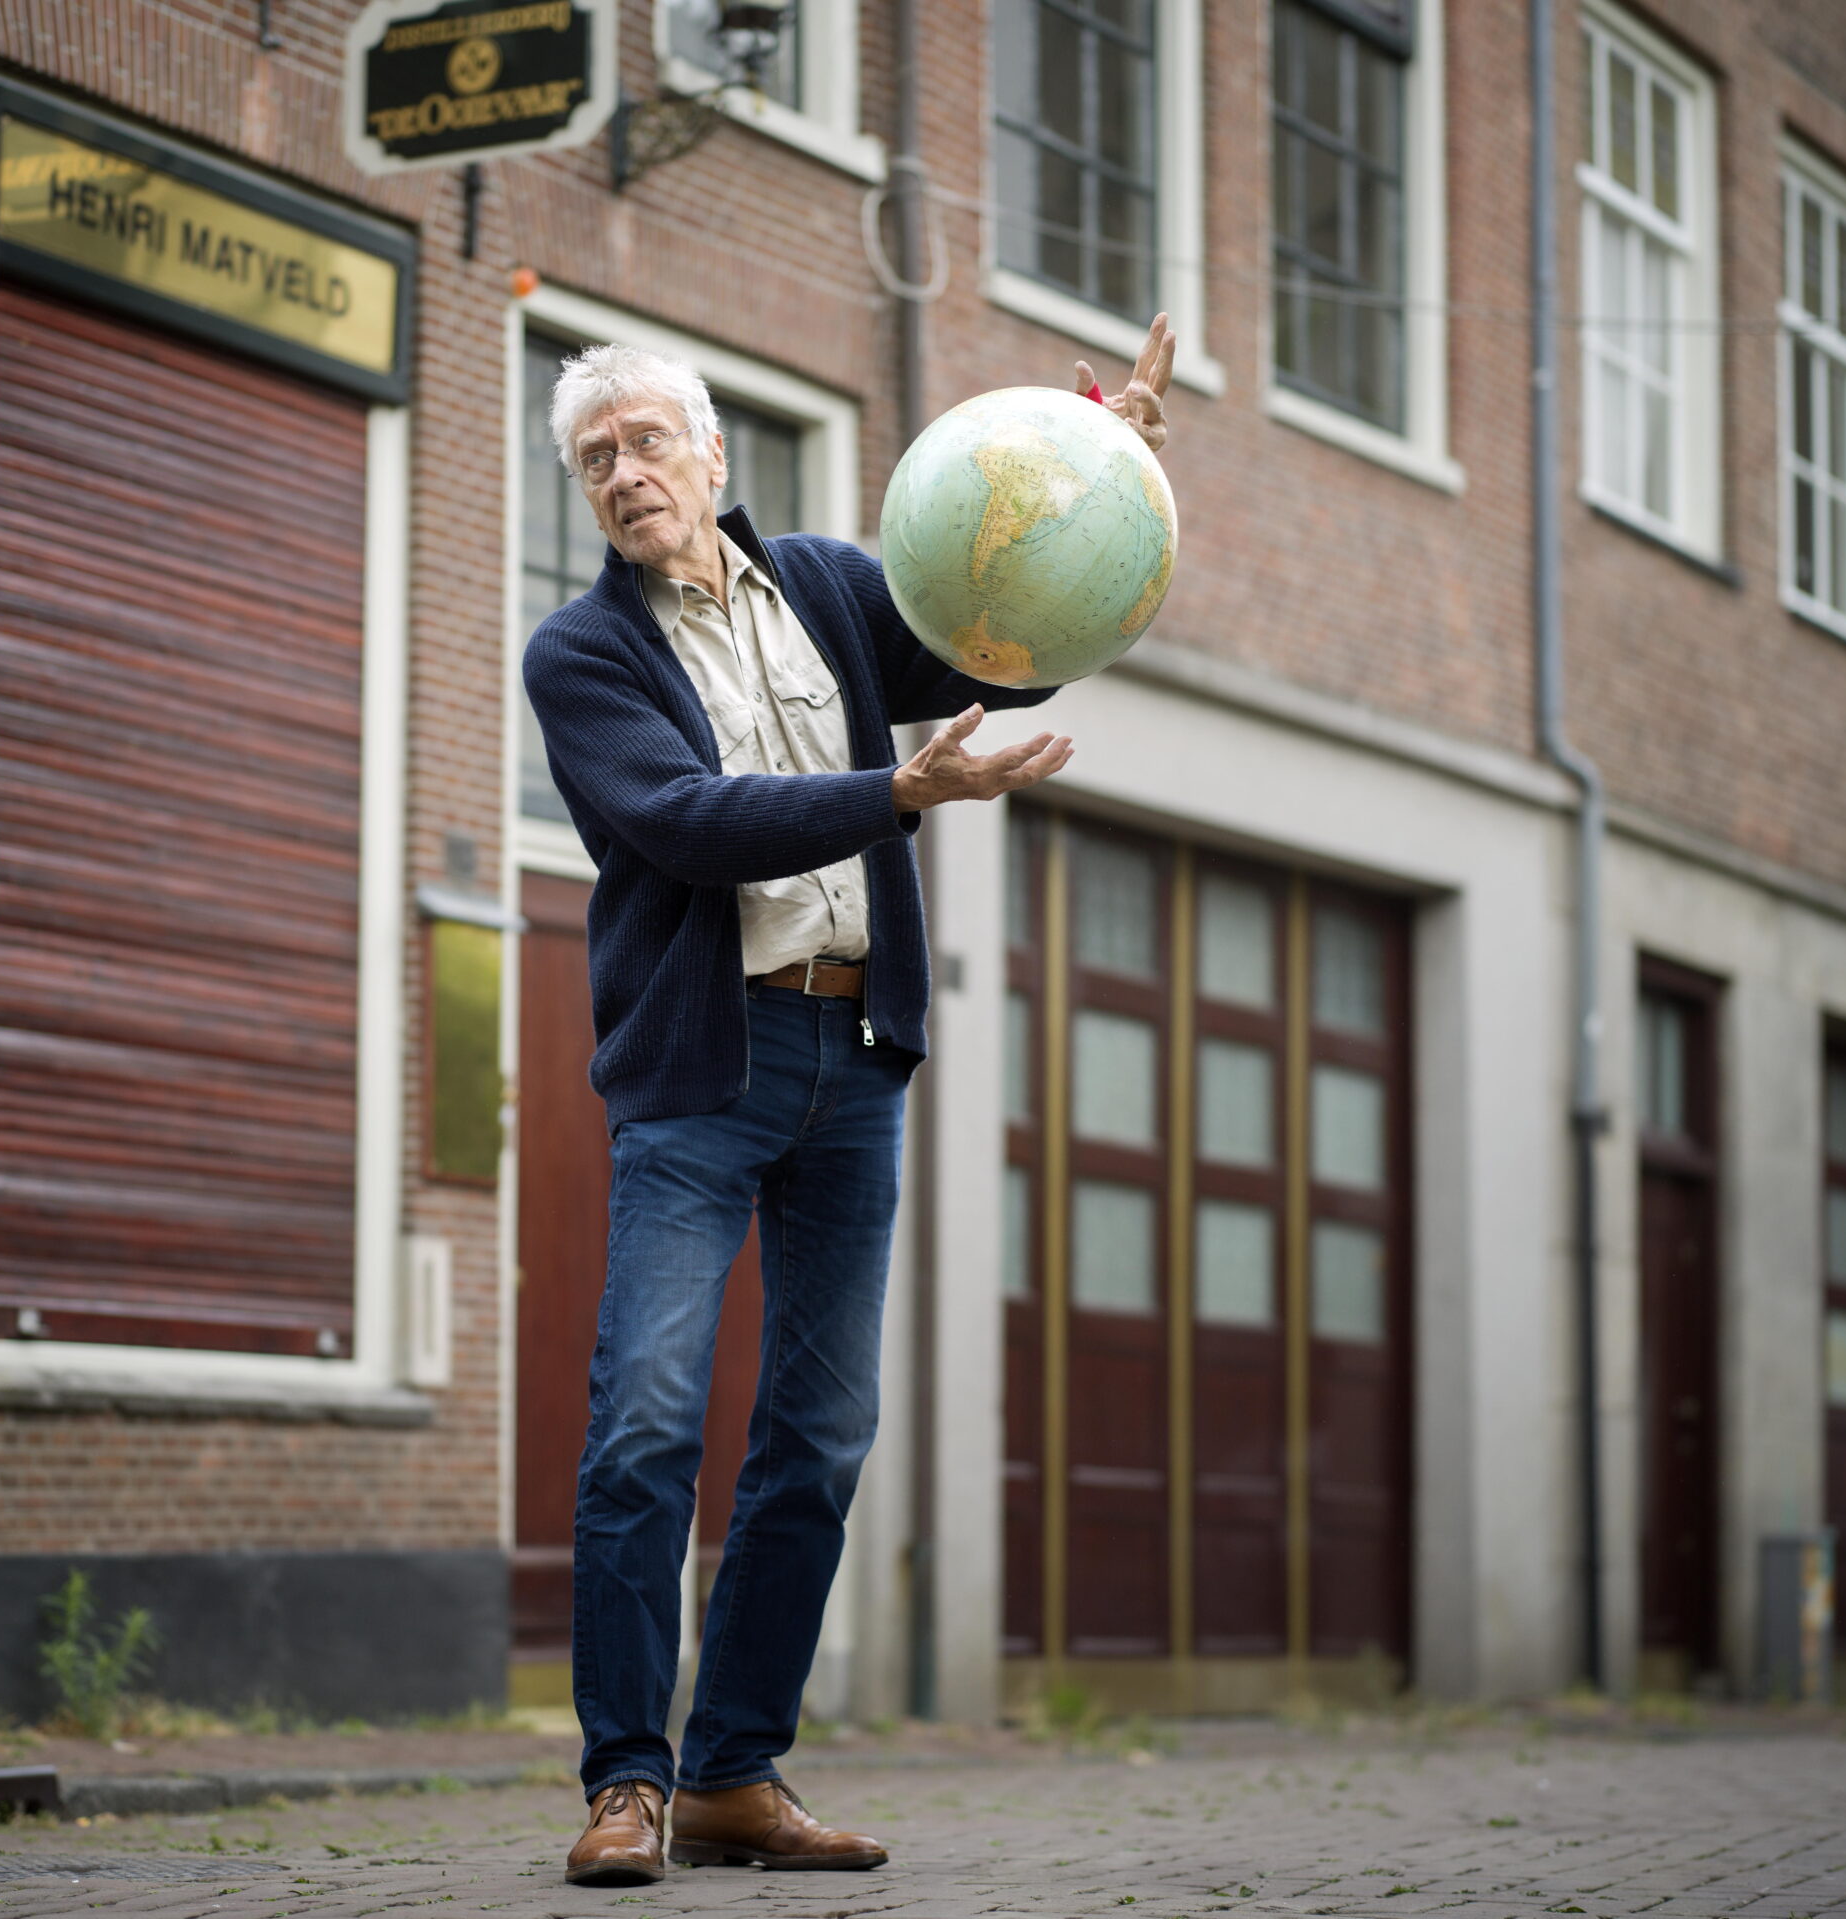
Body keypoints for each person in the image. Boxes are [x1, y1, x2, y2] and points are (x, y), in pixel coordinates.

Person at [524, 318, 1178, 1887]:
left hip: (854, 1060)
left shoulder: (822, 584)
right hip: (702, 1073)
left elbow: (992, 641)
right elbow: (681, 822)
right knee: (647, 1431)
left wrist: (1110, 464)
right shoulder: (583, 655)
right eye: (596, 458)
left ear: (712, 453)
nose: (627, 474)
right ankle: (628, 1783)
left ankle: (740, 1771)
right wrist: (894, 790)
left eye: (649, 443)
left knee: (821, 1432)